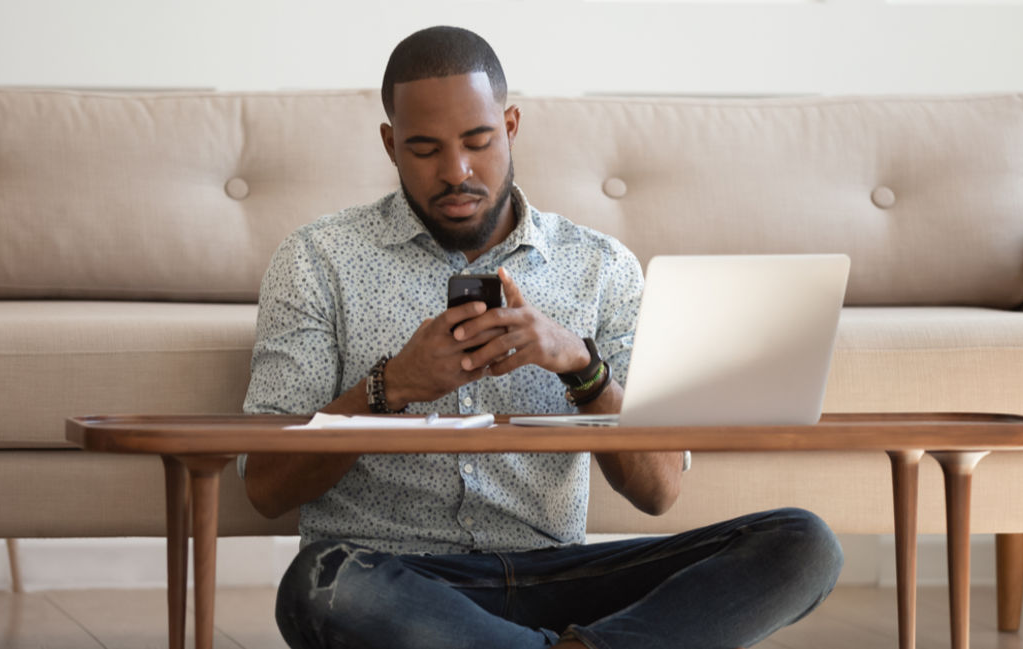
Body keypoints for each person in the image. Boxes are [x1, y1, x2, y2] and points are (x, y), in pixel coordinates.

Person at [239, 25, 842, 649]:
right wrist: (390, 388)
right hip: (398, 579)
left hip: (557, 573)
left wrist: (582, 368)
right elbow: (266, 486)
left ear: (512, 125)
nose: (457, 171)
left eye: (479, 141)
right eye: (424, 149)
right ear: (390, 144)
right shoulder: (317, 259)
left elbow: (659, 490)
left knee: (802, 544)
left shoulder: (601, 267)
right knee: (319, 581)